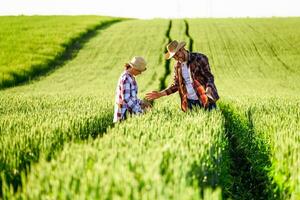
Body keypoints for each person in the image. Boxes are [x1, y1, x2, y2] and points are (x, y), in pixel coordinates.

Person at [146, 40, 219, 111]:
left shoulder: (199, 58)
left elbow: (209, 77)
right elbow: (176, 85)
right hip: (190, 102)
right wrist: (160, 94)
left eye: (177, 55)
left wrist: (209, 88)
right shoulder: (177, 66)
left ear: (182, 49)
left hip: (205, 98)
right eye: (174, 57)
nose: (177, 59)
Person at [113, 56, 151, 123]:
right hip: (123, 114)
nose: (140, 73)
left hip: (128, 114)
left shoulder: (131, 77)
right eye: (140, 71)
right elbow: (126, 98)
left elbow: (132, 97)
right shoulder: (126, 78)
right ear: (134, 68)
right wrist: (139, 111)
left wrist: (141, 102)